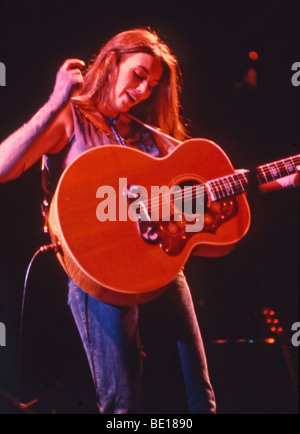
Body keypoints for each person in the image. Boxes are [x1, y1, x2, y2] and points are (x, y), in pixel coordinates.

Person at [0, 28, 217, 414]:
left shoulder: (148, 137)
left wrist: (275, 178)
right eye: (139, 75)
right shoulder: (71, 118)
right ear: (112, 62)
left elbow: (214, 181)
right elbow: (3, 167)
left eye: (152, 85)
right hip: (100, 270)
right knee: (122, 404)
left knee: (200, 393)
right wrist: (55, 101)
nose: (143, 91)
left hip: (159, 262)